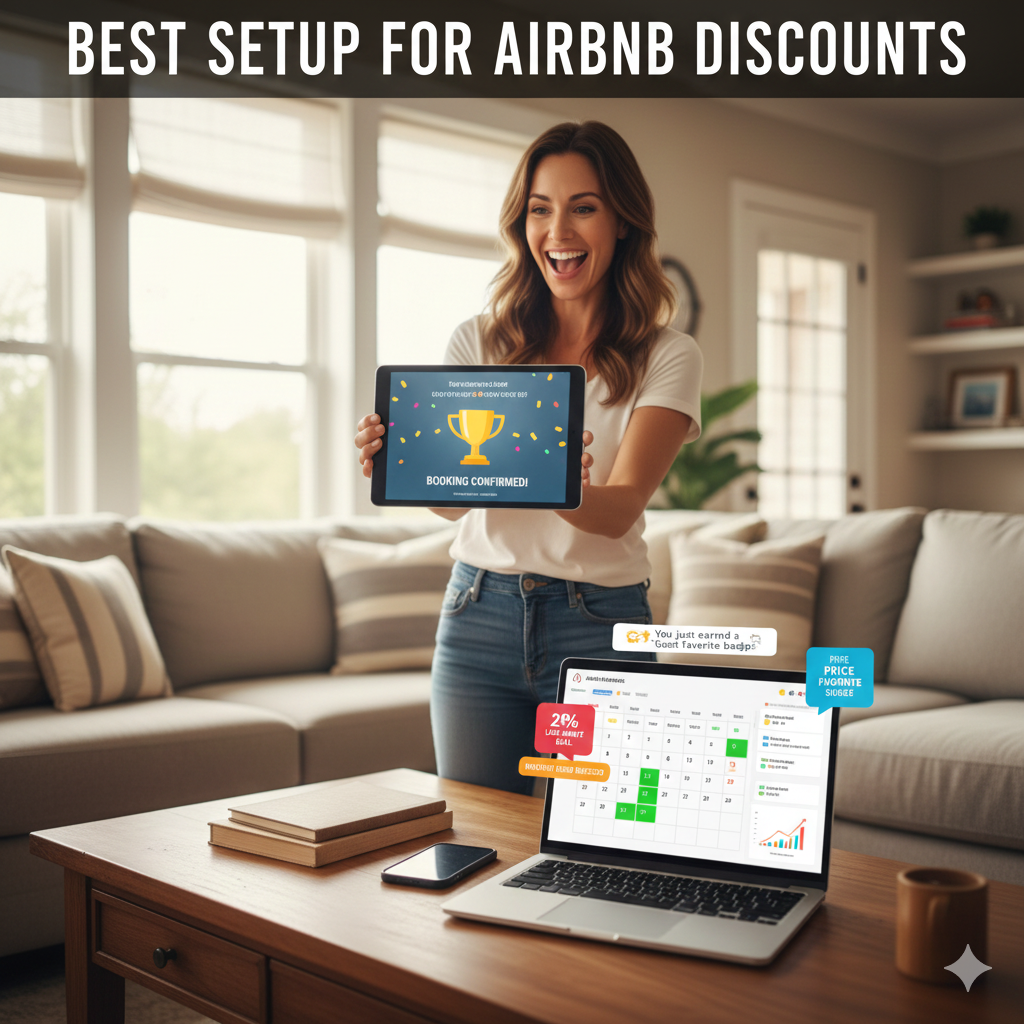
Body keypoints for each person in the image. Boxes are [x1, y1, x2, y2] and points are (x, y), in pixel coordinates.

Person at [355, 121, 702, 794]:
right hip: (477, 612)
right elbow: (454, 503)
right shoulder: (478, 340)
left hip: (599, 624)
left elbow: (619, 509)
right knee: (473, 833)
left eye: (584, 208)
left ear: (623, 221)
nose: (558, 231)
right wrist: (401, 466)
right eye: (540, 209)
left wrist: (559, 483)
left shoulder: (668, 355)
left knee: (600, 836)